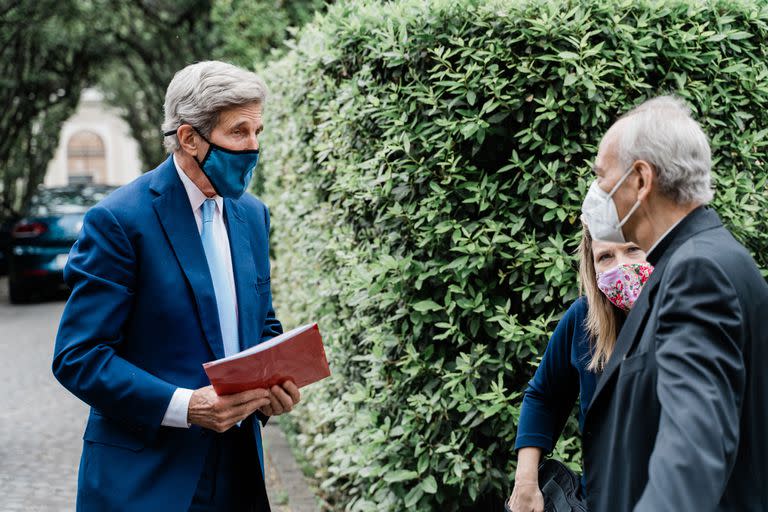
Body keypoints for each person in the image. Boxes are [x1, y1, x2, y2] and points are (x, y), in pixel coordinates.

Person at [52, 61, 300, 512]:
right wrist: (185, 406)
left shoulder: (253, 216)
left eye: (258, 131)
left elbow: (260, 322)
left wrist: (273, 387)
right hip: (147, 480)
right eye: (239, 132)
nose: (254, 147)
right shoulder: (119, 221)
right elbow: (78, 357)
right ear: (189, 138)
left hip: (241, 473)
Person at [580, 95, 768, 511]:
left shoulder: (697, 272)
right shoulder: (698, 259)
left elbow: (692, 450)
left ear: (641, 180)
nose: (596, 193)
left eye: (602, 176)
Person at [507, 227, 653, 511]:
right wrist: (525, 481)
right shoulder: (584, 320)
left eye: (633, 249)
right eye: (606, 257)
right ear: (592, 266)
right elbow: (544, 396)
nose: (622, 266)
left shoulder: (693, 319)